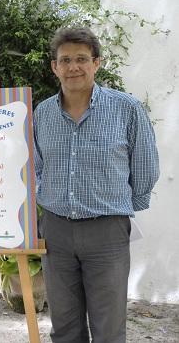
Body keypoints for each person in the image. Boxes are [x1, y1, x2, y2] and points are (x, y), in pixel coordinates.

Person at [33, 27, 159, 343]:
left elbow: (145, 164)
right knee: (64, 328)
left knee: (108, 329)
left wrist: (125, 206)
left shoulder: (126, 108)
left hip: (107, 233)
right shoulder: (42, 113)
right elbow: (37, 167)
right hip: (56, 233)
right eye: (65, 60)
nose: (73, 67)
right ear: (54, 67)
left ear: (96, 63)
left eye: (81, 59)